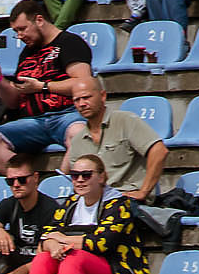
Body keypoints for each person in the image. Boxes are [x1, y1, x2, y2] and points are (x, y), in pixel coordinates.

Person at [24, 148, 149, 274]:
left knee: (74, 258)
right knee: (42, 259)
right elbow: (46, 235)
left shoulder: (118, 204)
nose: (80, 180)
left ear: (101, 177)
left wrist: (63, 240)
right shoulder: (70, 204)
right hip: (76, 270)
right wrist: (52, 244)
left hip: (117, 272)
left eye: (86, 175)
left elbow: (101, 243)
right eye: (75, 176)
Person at [0, 0, 90, 171]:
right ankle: (24, 182)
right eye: (16, 31)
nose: (20, 36)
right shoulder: (27, 51)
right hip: (33, 121)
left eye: (22, 29)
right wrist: (0, 80)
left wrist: (42, 86)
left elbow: (84, 84)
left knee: (79, 133)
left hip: (68, 115)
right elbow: (14, 101)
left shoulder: (70, 42)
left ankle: (67, 189)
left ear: (39, 20)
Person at [59, 70, 165, 203]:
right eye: (77, 100)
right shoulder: (77, 141)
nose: (82, 104)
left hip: (128, 200)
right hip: (95, 205)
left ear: (103, 96)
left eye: (87, 97)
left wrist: (144, 191)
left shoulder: (125, 120)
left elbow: (159, 151)